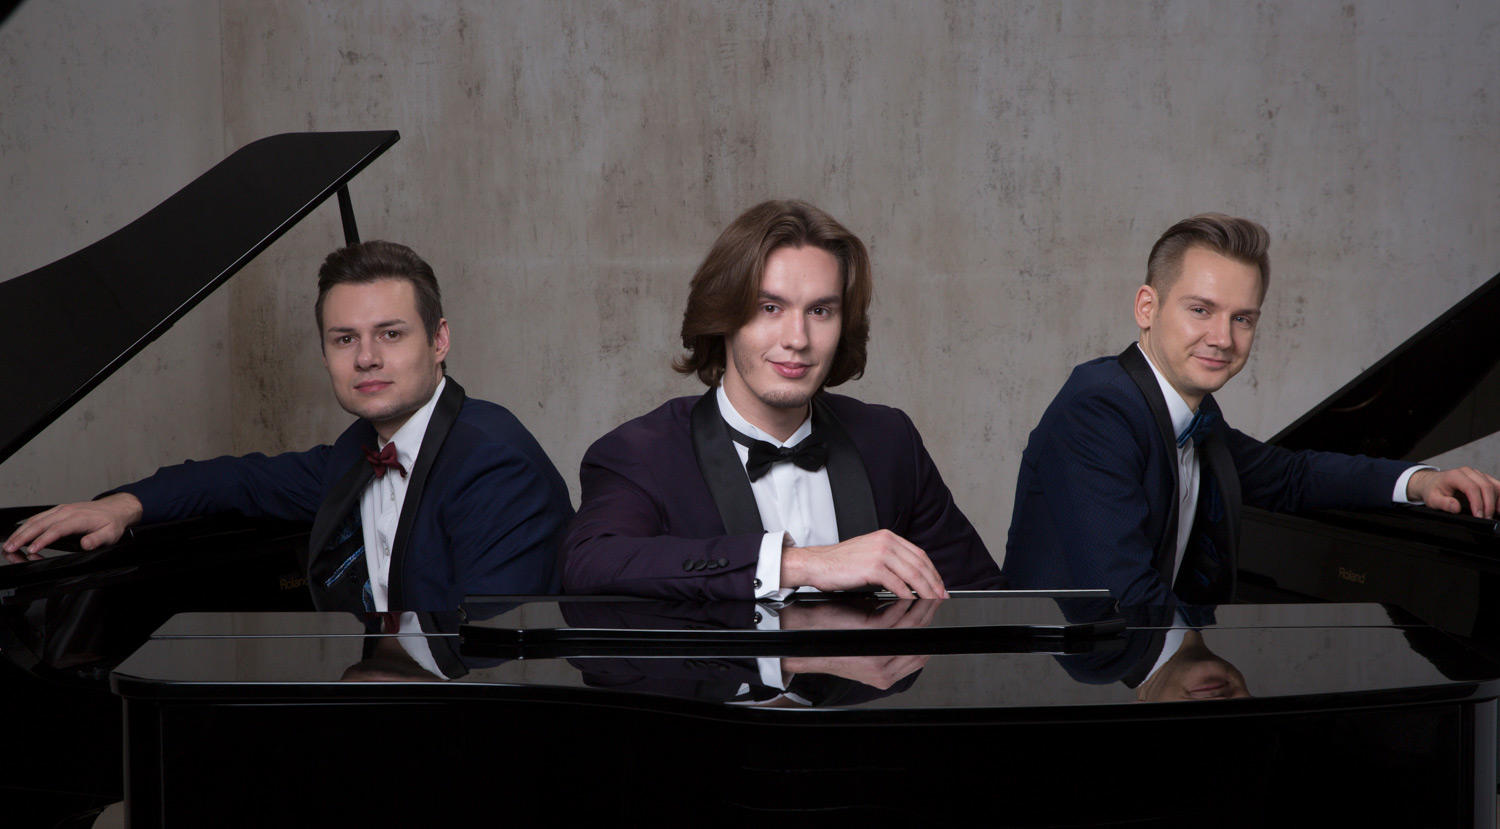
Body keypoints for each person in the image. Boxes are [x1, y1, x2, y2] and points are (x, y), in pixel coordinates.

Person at [4, 240, 572, 611]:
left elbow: (496, 650)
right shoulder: (359, 453)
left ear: (439, 340)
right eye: (345, 339)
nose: (366, 358)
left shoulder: (493, 462)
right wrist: (124, 505)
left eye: (391, 334)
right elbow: (241, 480)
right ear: (325, 353)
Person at [1003, 213, 1500, 606]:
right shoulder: (1099, 408)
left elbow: (1292, 476)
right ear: (1147, 308)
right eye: (1201, 310)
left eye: (1242, 318)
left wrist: (1420, 482)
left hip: (1133, 668)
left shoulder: (1190, 418)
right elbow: (1124, 596)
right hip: (1062, 686)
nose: (1223, 338)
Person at [562, 199, 1004, 600]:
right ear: (723, 317)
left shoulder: (889, 440)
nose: (798, 339)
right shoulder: (641, 452)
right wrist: (794, 564)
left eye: (820, 311)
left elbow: (983, 600)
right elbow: (589, 565)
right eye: (770, 308)